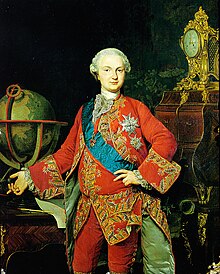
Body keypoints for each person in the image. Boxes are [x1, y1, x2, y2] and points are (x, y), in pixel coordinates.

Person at [7, 48, 181, 274]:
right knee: (81, 266)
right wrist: (29, 176)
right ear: (96, 73)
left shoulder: (136, 108)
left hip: (123, 207)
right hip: (88, 207)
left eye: (119, 70)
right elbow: (67, 154)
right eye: (107, 70)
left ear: (125, 73)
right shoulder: (85, 112)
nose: (114, 75)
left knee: (119, 268)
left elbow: (166, 140)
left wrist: (140, 175)